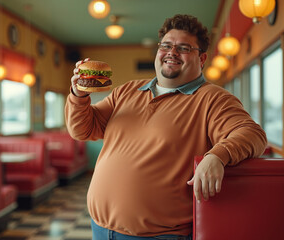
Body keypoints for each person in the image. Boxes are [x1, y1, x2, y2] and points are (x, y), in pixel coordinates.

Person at [65, 14, 267, 240]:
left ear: (201, 59)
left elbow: (253, 134)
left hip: (159, 236)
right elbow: (82, 129)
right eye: (166, 46)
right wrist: (79, 94)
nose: (172, 52)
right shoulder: (127, 91)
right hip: (99, 228)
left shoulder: (213, 98)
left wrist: (217, 156)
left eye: (183, 48)